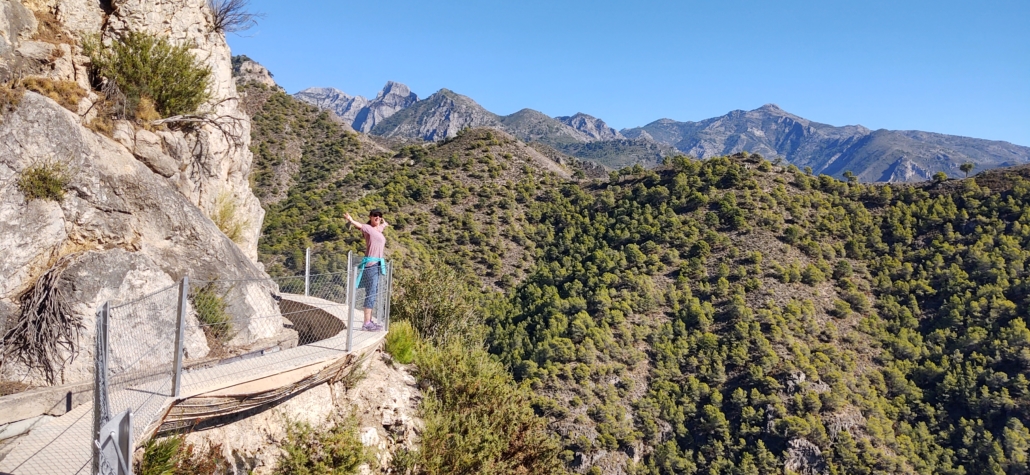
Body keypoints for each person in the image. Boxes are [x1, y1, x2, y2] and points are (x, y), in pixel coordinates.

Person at [344, 209, 388, 331]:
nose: (377, 217)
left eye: (379, 216)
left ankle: (369, 321)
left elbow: (382, 226)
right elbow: (360, 226)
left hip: (377, 265)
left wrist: (383, 223)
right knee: (371, 293)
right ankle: (366, 323)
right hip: (371, 265)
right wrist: (351, 220)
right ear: (370, 217)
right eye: (375, 215)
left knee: (372, 293)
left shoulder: (378, 230)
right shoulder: (368, 229)